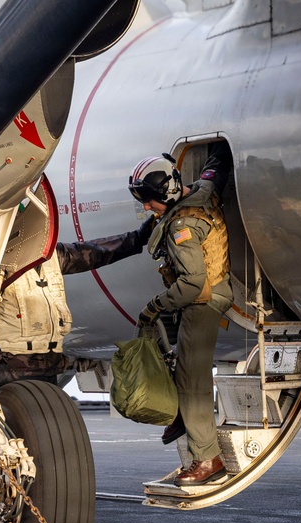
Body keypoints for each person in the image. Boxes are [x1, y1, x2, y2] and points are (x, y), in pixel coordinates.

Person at [130, 145, 234, 486]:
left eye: (149, 199)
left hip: (203, 302)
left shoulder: (181, 227)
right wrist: (220, 155)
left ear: (169, 192)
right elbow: (212, 174)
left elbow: (192, 285)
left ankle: (207, 459)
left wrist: (154, 307)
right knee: (178, 365)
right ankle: (180, 416)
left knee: (192, 384)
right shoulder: (200, 193)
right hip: (207, 297)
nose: (146, 207)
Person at [0, 214, 156, 388]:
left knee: (47, 414)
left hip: (47, 368)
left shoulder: (52, 256)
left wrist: (137, 238)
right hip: (9, 371)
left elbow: (95, 252)